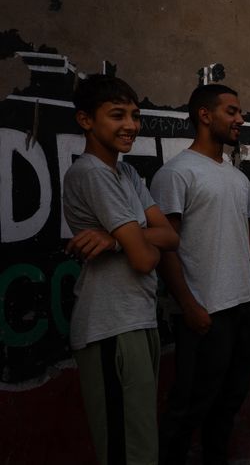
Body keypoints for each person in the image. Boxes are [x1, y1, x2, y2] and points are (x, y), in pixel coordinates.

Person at [63, 74, 179, 465]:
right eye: (117, 115)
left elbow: (171, 235)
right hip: (110, 327)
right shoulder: (93, 172)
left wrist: (116, 240)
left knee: (140, 446)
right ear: (85, 120)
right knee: (126, 451)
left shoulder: (125, 174)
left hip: (135, 320)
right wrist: (135, 243)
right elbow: (148, 258)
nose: (131, 125)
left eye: (134, 115)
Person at [151, 84, 250, 465]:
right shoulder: (177, 173)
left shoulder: (236, 177)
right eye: (231, 111)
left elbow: (246, 234)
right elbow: (166, 245)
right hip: (205, 312)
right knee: (188, 408)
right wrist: (188, 305)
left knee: (230, 401)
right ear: (204, 115)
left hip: (242, 307)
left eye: (239, 112)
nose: (240, 119)